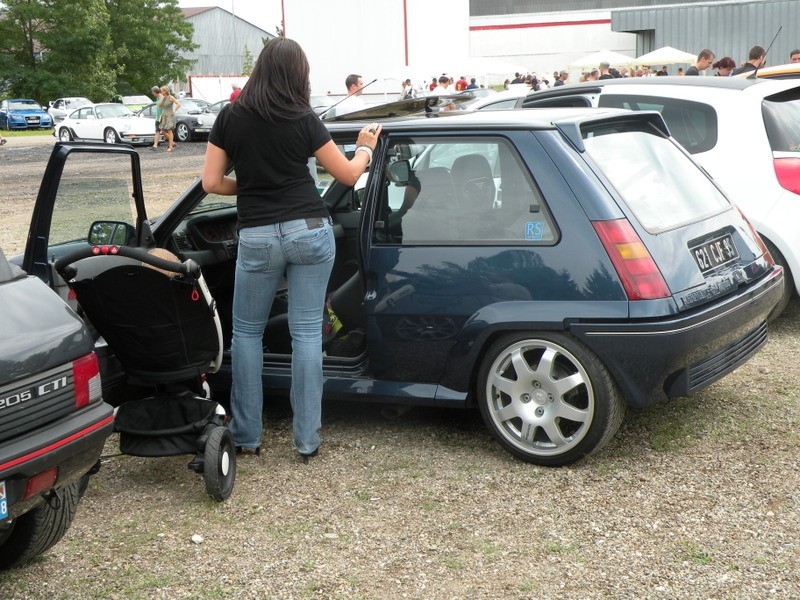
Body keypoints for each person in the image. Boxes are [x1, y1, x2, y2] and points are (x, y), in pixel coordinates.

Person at [201, 37, 381, 460]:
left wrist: (252, 185)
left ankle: (246, 435)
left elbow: (211, 183)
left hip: (258, 236)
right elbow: (348, 174)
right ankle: (306, 441)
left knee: (245, 333)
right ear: (299, 74)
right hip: (309, 230)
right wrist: (366, 149)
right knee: (305, 337)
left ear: (261, 69)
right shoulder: (303, 118)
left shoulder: (230, 117)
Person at [157, 86, 181, 151]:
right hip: (164, 115)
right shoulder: (162, 98)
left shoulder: (170, 97)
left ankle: (170, 146)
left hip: (169, 115)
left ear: (165, 91)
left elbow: (178, 104)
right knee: (163, 131)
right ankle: (172, 142)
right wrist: (162, 99)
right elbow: (158, 105)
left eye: (162, 90)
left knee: (169, 130)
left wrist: (174, 110)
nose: (161, 92)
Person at [149, 86, 162, 150]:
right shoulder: (158, 98)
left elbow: (160, 105)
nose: (152, 94)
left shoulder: (161, 97)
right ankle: (155, 145)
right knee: (157, 131)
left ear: (155, 92)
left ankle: (172, 143)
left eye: (153, 92)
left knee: (166, 131)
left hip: (161, 117)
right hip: (158, 117)